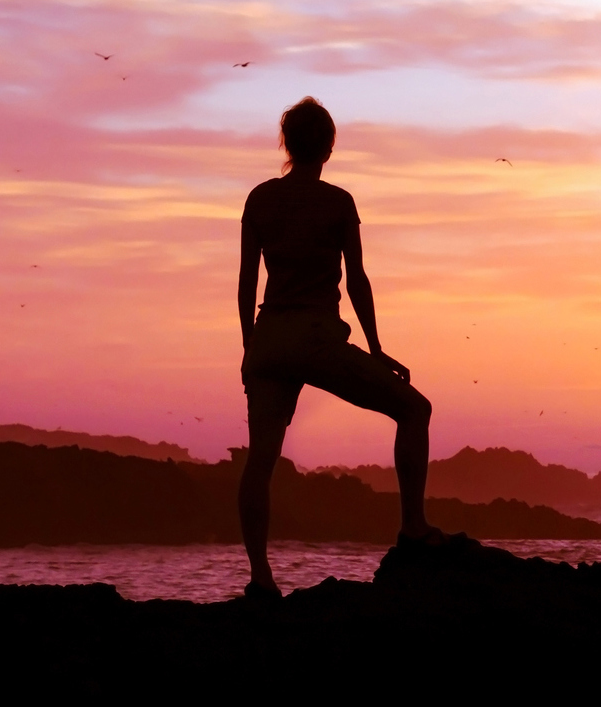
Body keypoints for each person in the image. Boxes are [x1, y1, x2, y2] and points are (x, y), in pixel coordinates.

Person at [236, 97, 447, 599]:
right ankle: (413, 528)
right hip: (314, 337)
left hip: (269, 339)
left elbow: (247, 284)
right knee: (415, 410)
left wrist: (249, 350)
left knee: (260, 461)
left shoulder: (259, 198)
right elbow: (357, 283)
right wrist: (375, 348)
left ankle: (261, 579)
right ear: (329, 145)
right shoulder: (337, 201)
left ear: (286, 144)